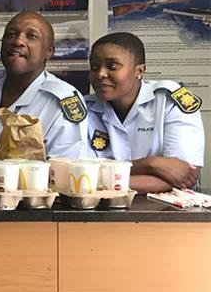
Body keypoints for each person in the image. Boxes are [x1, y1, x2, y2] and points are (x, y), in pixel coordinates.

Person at [86, 32, 204, 192]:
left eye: (112, 66)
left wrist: (99, 180)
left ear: (139, 71)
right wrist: (152, 164)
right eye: (94, 67)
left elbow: (183, 176)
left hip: (166, 205)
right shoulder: (84, 109)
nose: (100, 74)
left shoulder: (168, 101)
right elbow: (77, 172)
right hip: (101, 204)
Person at [0, 11, 88, 159]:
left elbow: (65, 168)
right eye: (11, 34)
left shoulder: (63, 101)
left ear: (49, 52)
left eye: (31, 36)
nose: (18, 41)